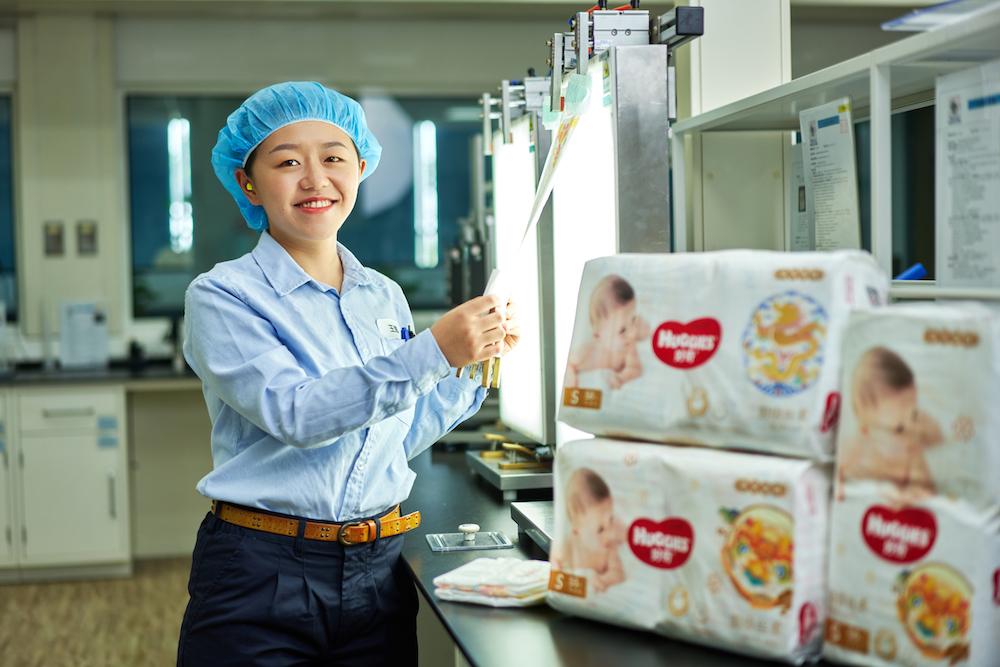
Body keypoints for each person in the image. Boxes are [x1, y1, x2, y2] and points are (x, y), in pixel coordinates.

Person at [176, 81, 520, 666]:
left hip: (377, 569)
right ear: (248, 181)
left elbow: (392, 437)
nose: (315, 179)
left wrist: (471, 366)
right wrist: (436, 350)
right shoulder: (222, 295)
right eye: (288, 162)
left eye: (334, 158)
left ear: (360, 168)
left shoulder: (382, 295)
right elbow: (299, 413)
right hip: (261, 572)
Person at [836, 346, 942, 505]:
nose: (909, 429)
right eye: (899, 428)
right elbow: (838, 476)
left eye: (913, 414)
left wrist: (910, 496)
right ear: (864, 422)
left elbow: (928, 492)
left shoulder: (911, 452)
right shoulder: (854, 446)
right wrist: (839, 488)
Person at [564, 274, 649, 390]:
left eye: (633, 320)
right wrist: (571, 379)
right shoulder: (587, 351)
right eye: (622, 330)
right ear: (598, 334)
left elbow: (636, 369)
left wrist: (622, 378)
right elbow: (569, 364)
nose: (631, 334)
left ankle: (643, 327)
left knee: (644, 331)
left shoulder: (628, 347)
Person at [551, 468, 627, 593]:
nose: (609, 534)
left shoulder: (609, 548)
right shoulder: (569, 547)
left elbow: (618, 574)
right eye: (600, 529)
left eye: (611, 520)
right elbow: (558, 572)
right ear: (576, 529)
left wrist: (603, 580)